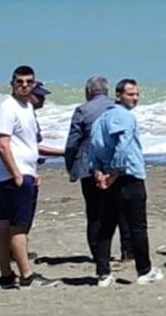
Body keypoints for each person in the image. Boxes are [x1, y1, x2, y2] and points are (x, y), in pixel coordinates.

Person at [87, 79, 163, 287]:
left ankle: (103, 273)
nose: (135, 98)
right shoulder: (124, 117)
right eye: (130, 94)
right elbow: (123, 145)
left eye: (137, 94)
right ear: (118, 95)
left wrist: (98, 172)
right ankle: (144, 270)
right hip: (127, 176)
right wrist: (112, 173)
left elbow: (92, 150)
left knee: (106, 226)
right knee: (137, 227)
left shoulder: (101, 120)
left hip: (110, 178)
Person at [0, 65, 62, 289]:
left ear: (33, 84)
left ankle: (6, 276)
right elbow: (3, 145)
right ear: (11, 83)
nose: (24, 86)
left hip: (22, 172)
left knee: (4, 223)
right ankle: (26, 275)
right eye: (19, 82)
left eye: (28, 82)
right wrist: (17, 175)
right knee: (18, 227)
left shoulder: (26, 107)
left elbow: (29, 144)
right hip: (15, 175)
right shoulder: (8, 108)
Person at [65, 76, 132, 262]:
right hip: (115, 166)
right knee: (121, 210)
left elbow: (72, 142)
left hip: (89, 166)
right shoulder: (118, 108)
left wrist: (71, 166)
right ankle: (128, 251)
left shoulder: (82, 110)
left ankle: (98, 253)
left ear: (88, 91)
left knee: (94, 212)